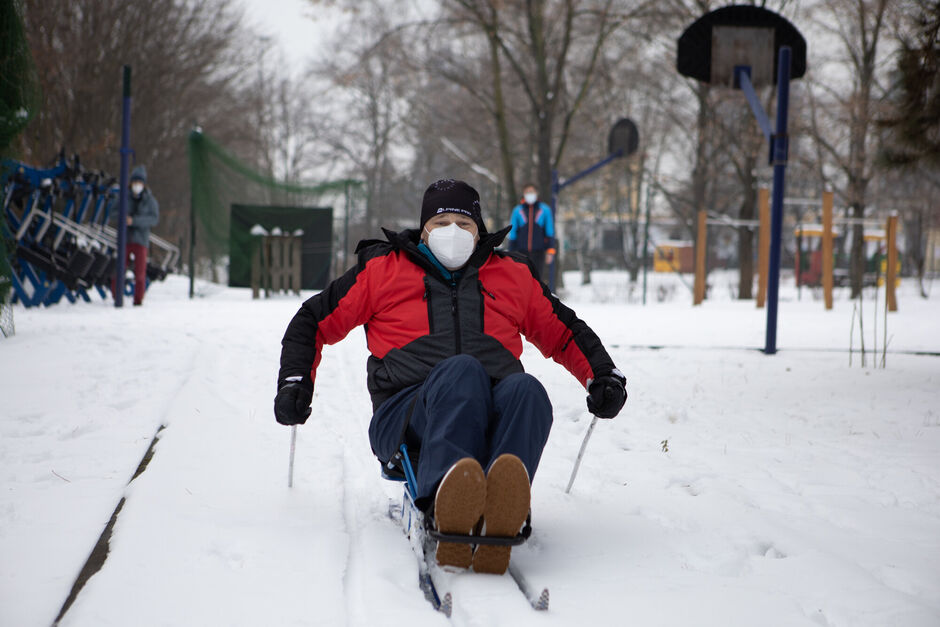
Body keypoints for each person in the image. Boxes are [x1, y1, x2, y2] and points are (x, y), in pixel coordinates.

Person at [274, 179, 626, 575]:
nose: (453, 232)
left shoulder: (511, 276)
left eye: (464, 223)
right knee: (463, 373)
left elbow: (564, 331)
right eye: (442, 222)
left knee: (528, 390)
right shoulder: (382, 271)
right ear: (424, 229)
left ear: (480, 232)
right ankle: (448, 498)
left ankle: (502, 501)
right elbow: (312, 321)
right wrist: (295, 381)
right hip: (408, 417)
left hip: (491, 411)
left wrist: (601, 375)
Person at [112, 165, 159, 305]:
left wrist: (135, 221)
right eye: (135, 182)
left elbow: (154, 219)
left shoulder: (150, 201)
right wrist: (123, 218)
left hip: (141, 240)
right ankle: (116, 297)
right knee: (119, 269)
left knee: (140, 272)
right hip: (125, 239)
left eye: (140, 182)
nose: (137, 185)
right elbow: (112, 213)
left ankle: (138, 299)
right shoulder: (123, 197)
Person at [507, 183, 556, 282]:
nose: (530, 194)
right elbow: (512, 232)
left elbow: (550, 231)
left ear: (536, 193)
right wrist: (510, 252)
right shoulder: (517, 210)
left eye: (532, 192)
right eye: (527, 192)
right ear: (524, 194)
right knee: (521, 279)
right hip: (521, 252)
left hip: (539, 251)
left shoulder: (545, 210)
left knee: (537, 279)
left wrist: (550, 251)